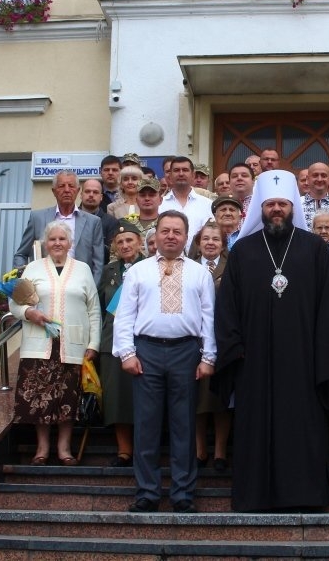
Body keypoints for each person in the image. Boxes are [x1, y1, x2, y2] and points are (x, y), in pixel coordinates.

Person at [214, 170, 329, 512]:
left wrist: (323, 354)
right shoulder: (243, 251)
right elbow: (227, 308)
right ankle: (254, 497)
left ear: (292, 206)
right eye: (270, 204)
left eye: (282, 204)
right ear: (260, 209)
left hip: (304, 360)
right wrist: (235, 349)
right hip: (254, 361)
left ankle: (304, 495)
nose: (276, 209)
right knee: (256, 427)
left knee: (302, 425)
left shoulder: (314, 249)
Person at [112, 211, 217, 514]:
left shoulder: (200, 273)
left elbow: (209, 317)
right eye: (165, 231)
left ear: (186, 237)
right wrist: (127, 353)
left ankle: (183, 493)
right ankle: (147, 492)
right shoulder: (138, 271)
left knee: (184, 424)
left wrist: (208, 356)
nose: (171, 236)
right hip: (146, 352)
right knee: (146, 425)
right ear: (155, 235)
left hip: (187, 352)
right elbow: (125, 315)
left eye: (177, 231)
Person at [10, 221, 100, 466]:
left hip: (73, 345)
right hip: (40, 345)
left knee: (68, 398)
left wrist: (93, 344)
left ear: (70, 243)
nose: (57, 243)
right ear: (45, 243)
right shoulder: (32, 268)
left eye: (62, 239)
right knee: (40, 398)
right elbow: (15, 303)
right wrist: (29, 313)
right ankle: (42, 449)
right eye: (52, 239)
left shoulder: (82, 269)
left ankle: (64, 449)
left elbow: (93, 310)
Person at [98, 219, 144, 468]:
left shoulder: (149, 267)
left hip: (142, 340)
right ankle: (124, 449)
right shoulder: (108, 271)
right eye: (120, 242)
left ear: (139, 242)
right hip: (112, 341)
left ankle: (144, 448)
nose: (125, 245)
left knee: (142, 396)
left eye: (129, 240)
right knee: (117, 397)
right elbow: (99, 306)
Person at [188, 221, 232, 472]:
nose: (210, 243)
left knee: (219, 398)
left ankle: (220, 452)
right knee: (198, 398)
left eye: (216, 239)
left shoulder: (233, 266)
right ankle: (199, 449)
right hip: (194, 340)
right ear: (198, 243)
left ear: (223, 245)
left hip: (223, 339)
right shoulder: (188, 267)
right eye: (206, 239)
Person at [14, 170, 105, 288]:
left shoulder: (93, 222)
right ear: (54, 191)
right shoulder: (37, 218)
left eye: (71, 186)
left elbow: (98, 263)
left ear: (78, 191)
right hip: (43, 287)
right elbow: (21, 255)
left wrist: (91, 289)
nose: (67, 190)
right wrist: (25, 282)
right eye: (62, 186)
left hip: (79, 286)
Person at [159, 156, 215, 249]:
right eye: (176, 170)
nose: (181, 174)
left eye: (185, 170)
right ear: (170, 176)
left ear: (193, 175)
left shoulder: (207, 204)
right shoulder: (160, 204)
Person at [79, 177, 120, 248]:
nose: (91, 195)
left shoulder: (111, 222)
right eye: (87, 191)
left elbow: (112, 250)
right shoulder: (71, 217)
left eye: (95, 192)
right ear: (81, 195)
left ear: (101, 197)